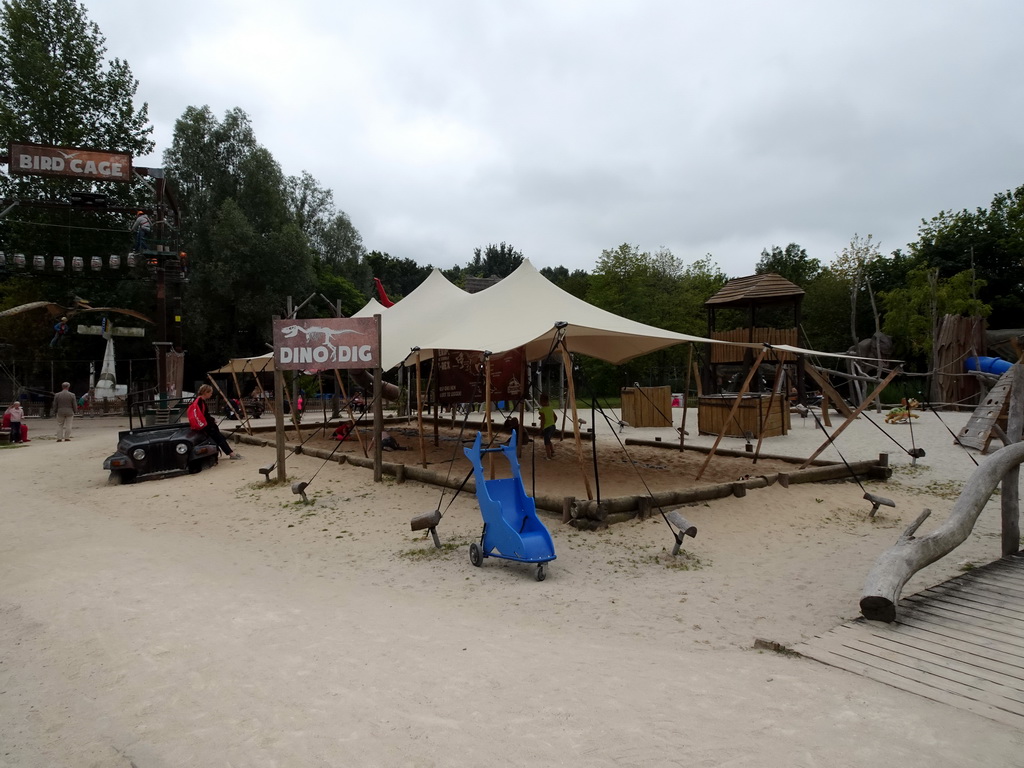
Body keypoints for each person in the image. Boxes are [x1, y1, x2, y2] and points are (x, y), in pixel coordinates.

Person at [187, 384, 242, 460]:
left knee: (220, 437)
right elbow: (204, 415)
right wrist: (212, 420)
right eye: (210, 393)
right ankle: (231, 454)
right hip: (207, 426)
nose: (211, 394)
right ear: (205, 392)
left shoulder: (199, 401)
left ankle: (230, 453)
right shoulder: (200, 401)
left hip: (206, 424)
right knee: (219, 438)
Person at [538, 393, 557, 459]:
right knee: (548, 439)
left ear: (541, 401)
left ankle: (548, 456)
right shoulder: (550, 408)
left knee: (546, 442)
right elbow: (555, 417)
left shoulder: (541, 410)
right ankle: (552, 452)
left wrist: (541, 428)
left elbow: (543, 420)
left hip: (547, 428)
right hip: (553, 426)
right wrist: (552, 422)